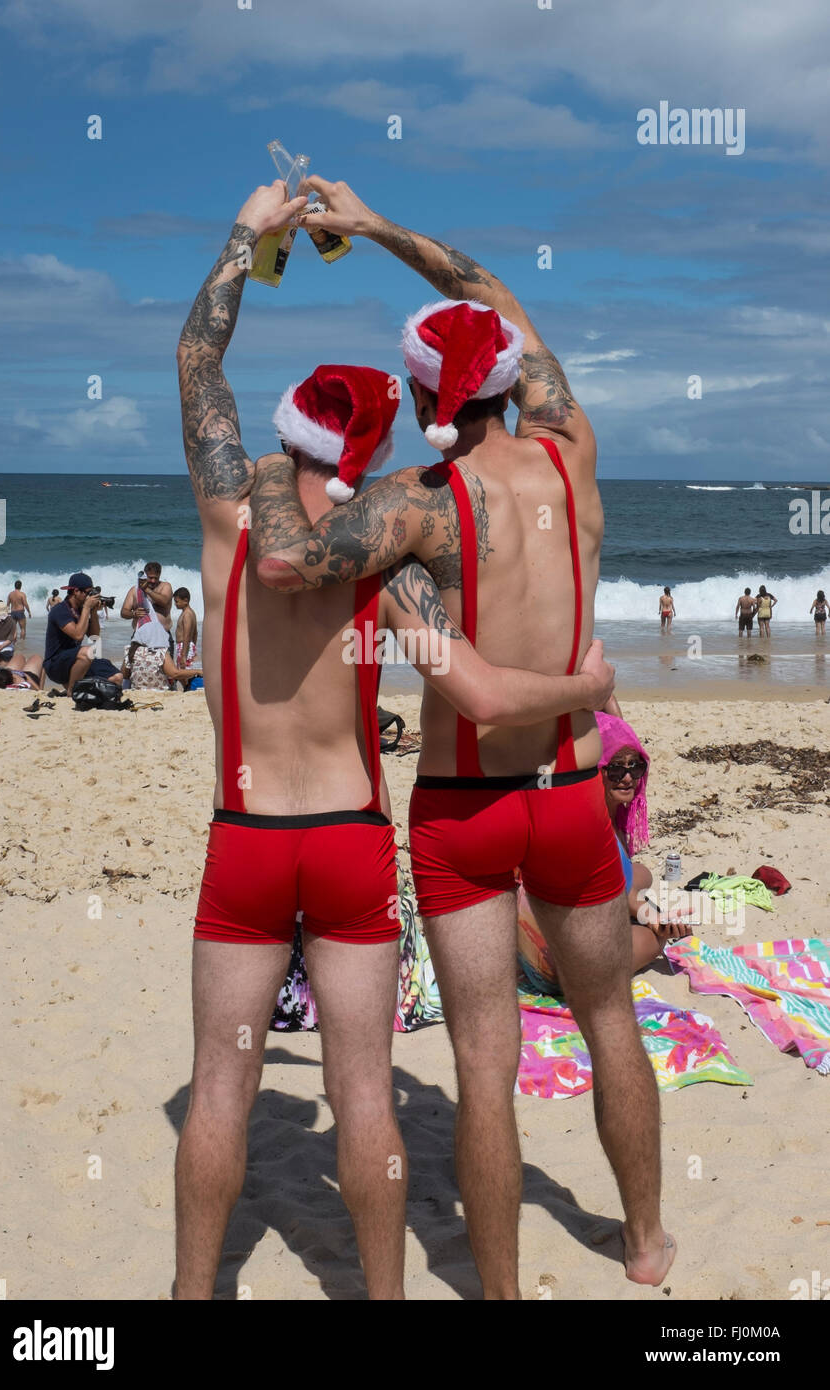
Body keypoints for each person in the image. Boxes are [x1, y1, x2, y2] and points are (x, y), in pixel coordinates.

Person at [174, 181, 616, 1302]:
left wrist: (251, 230)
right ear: (376, 448)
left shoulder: (232, 514)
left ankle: (189, 1295)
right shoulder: (391, 554)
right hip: (354, 843)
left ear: (283, 437)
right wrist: (587, 684)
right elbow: (472, 682)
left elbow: (199, 361)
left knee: (218, 1089)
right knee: (365, 1091)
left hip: (244, 835)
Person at [518, 712, 692, 992]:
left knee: (642, 873)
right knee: (652, 940)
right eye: (614, 769)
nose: (626, 777)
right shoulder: (592, 825)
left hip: (536, 937)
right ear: (593, 770)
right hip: (561, 968)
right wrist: (656, 920)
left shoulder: (579, 806)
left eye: (635, 767)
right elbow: (619, 898)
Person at [43, 572, 123, 692]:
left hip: (77, 662)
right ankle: (72, 691)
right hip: (55, 664)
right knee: (88, 652)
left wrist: (94, 612)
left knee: (116, 678)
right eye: (88, 592)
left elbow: (94, 636)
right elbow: (78, 635)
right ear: (76, 591)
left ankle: (78, 686)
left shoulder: (81, 611)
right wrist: (86, 608)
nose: (89, 597)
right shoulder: (60, 610)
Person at [121, 601, 201, 691]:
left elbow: (124, 675)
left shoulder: (131, 651)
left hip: (137, 691)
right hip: (159, 691)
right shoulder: (160, 653)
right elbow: (174, 674)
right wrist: (197, 671)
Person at [121, 563, 173, 637]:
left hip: (162, 635)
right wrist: (134, 614)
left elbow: (164, 602)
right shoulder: (134, 590)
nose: (153, 581)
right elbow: (123, 612)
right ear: (145, 575)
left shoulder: (165, 586)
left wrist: (147, 590)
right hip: (140, 635)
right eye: (150, 577)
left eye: (156, 578)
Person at [173, 588, 198, 667]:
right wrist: (193, 647)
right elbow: (195, 633)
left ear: (185, 601)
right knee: (185, 673)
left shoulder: (187, 614)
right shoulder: (191, 613)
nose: (175, 604)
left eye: (177, 601)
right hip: (188, 646)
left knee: (183, 674)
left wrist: (183, 655)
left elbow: (186, 635)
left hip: (184, 647)